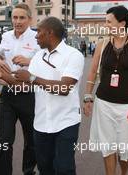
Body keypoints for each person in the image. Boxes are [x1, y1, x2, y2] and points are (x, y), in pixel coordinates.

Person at [13, 17, 84, 175]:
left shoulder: (74, 55)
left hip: (66, 122)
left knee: (64, 168)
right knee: (45, 169)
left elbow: (64, 88)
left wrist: (32, 78)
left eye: (38, 31)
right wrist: (2, 75)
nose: (36, 36)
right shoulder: (38, 56)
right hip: (41, 123)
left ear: (50, 33)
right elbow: (25, 85)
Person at [83, 6, 128, 175]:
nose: (106, 25)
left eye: (109, 22)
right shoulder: (102, 44)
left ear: (122, 23)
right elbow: (92, 71)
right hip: (104, 103)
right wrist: (88, 96)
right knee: (108, 146)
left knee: (125, 148)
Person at [0, 3, 40, 175]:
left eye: (22, 18)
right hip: (8, 95)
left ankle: (29, 172)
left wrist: (29, 62)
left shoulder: (37, 37)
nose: (17, 21)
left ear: (29, 19)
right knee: (4, 140)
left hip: (29, 94)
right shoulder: (6, 36)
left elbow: (46, 62)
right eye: (14, 17)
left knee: (31, 140)